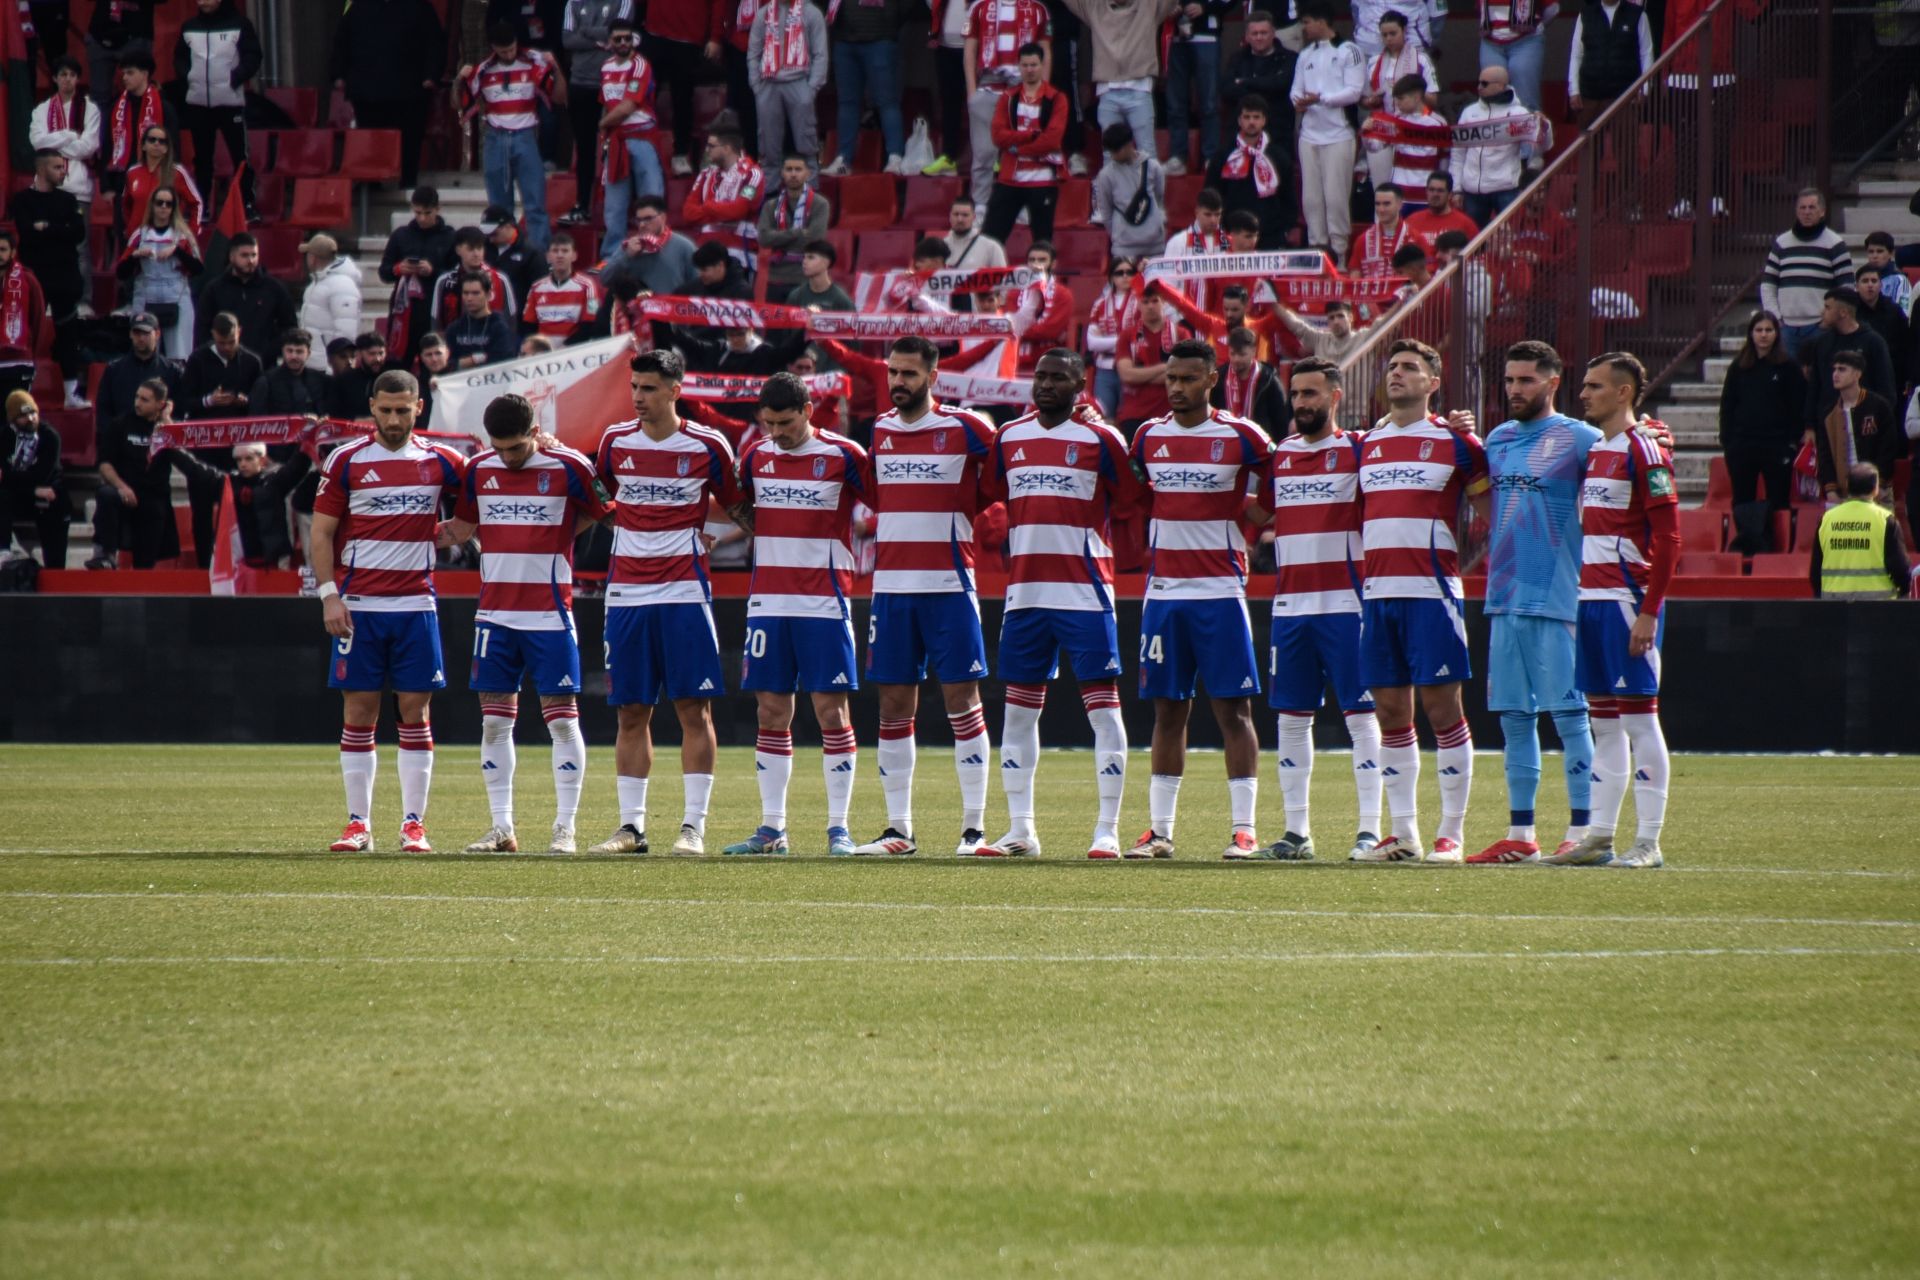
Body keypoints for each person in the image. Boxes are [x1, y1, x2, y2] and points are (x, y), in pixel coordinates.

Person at [424, 394, 609, 855]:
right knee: (493, 723)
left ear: (534, 431)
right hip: (495, 617)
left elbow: (602, 510)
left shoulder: (568, 465)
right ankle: (502, 826)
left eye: (517, 448)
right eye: (500, 448)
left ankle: (564, 828)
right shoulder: (479, 470)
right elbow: (462, 530)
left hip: (550, 615)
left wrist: (560, 530)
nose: (508, 458)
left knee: (563, 723)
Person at [974, 351, 1142, 858]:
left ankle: (1106, 830)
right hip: (1025, 596)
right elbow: (991, 495)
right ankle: (1020, 830)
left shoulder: (1102, 439)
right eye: (1040, 377)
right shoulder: (1010, 438)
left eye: (1057, 378)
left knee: (1103, 710)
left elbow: (1131, 501)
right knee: (1019, 715)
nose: (1045, 385)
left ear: (1080, 382)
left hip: (1085, 593)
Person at [588, 349, 744, 855]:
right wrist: (634, 528)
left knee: (691, 708)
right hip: (627, 593)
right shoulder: (615, 441)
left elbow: (740, 506)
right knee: (631, 710)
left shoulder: (707, 444)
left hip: (683, 592)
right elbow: (600, 498)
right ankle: (631, 828)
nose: (638, 397)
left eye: (649, 388)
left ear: (675, 391)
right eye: (635, 387)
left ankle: (693, 827)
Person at [850, 336, 998, 857]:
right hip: (891, 590)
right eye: (893, 372)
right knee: (893, 704)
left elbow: (1002, 476)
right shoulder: (881, 430)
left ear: (933, 378)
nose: (898, 382)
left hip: (949, 588)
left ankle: (974, 828)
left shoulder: (967, 427)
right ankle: (898, 830)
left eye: (909, 374)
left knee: (963, 702)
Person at [1127, 339, 1272, 858]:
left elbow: (1279, 482)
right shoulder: (1147, 437)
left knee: (1234, 712)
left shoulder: (1241, 436)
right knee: (1168, 712)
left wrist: (1254, 515)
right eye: (1170, 379)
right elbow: (1140, 493)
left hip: (1220, 593)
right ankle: (1160, 831)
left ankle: (1244, 829)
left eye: (1188, 379)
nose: (1176, 388)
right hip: (1163, 594)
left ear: (1212, 379)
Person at [311, 369, 465, 854]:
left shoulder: (444, 461)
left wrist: (456, 532)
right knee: (358, 711)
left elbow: (489, 488)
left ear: (419, 407)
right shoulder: (347, 460)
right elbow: (320, 533)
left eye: (403, 410)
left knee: (414, 711)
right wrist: (329, 595)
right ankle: (359, 824)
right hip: (358, 608)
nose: (394, 418)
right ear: (372, 407)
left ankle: (413, 824)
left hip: (417, 604)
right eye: (386, 409)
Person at [1464, 340, 1603, 864]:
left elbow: (1623, 468)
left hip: (1557, 597)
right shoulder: (1497, 440)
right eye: (1509, 380)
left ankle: (1582, 830)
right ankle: (1521, 836)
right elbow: (1489, 504)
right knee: (1514, 719)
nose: (1515, 390)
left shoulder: (1580, 438)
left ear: (1552, 381)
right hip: (1503, 598)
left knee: (1570, 716)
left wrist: (1651, 436)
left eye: (1525, 380)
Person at [1353, 339, 1489, 862]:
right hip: (1378, 594)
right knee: (1390, 711)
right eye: (1391, 367)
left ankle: (1450, 833)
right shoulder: (1364, 443)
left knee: (1442, 707)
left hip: (1431, 594)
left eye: (1410, 367)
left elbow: (1489, 512)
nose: (1397, 374)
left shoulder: (1457, 443)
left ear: (1433, 383)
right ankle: (1404, 834)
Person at [1239, 358, 1380, 860]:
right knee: (1292, 718)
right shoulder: (1281, 455)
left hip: (1346, 604)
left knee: (1362, 716)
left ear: (1335, 397)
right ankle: (1297, 832)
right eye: (1296, 394)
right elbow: (1259, 512)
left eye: (1311, 394)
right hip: (1290, 607)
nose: (1300, 403)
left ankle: (1370, 830)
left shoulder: (1360, 449)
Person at [724, 373, 870, 857]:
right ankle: (772, 830)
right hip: (768, 601)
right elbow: (744, 508)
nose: (777, 432)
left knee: (831, 712)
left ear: (809, 410)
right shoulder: (756, 455)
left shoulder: (844, 455)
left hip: (824, 603)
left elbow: (885, 501)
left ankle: (838, 829)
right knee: (770, 711)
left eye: (785, 422)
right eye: (769, 423)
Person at [1564, 351, 1681, 868]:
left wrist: (1650, 611)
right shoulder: (1599, 451)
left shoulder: (1645, 450)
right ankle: (1599, 836)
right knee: (1604, 724)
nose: (1584, 394)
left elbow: (1671, 537)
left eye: (1593, 386)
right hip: (1590, 599)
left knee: (1639, 721)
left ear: (1624, 393)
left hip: (1625, 602)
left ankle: (1648, 842)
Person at [458, 24, 558, 255]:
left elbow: (558, 96)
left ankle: (539, 257)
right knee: (499, 207)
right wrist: (458, 80)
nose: (509, 54)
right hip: (495, 137)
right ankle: (504, 254)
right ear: (494, 48)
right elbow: (461, 105)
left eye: (512, 49)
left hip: (525, 136)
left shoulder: (533, 62)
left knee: (535, 204)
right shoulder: (483, 69)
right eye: (503, 51)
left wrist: (556, 66)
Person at [329, 0, 446, 190]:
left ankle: (408, 179)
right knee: (371, 136)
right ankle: (371, 180)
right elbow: (342, 40)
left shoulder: (418, 6)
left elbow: (435, 41)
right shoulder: (359, 6)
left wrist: (431, 74)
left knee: (409, 136)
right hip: (368, 88)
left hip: (408, 86)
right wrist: (338, 73)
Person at [7, 156, 87, 408]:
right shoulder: (21, 200)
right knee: (26, 334)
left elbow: (78, 233)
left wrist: (47, 228)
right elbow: (28, 234)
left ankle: (71, 394)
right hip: (35, 277)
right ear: (41, 169)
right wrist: (58, 230)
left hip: (65, 277)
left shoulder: (69, 200)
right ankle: (21, 395)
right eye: (57, 167)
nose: (63, 172)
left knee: (68, 333)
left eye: (63, 167)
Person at [163, 436, 314, 569]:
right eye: (239, 460)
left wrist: (309, 438)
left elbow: (297, 467)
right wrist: (172, 448)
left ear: (262, 460)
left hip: (273, 561)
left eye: (248, 459)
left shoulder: (274, 483)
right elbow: (196, 470)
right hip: (238, 562)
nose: (243, 464)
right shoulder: (228, 483)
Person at [175, 0, 261, 225]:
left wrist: (236, 77)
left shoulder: (240, 24)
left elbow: (253, 55)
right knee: (202, 158)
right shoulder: (189, 27)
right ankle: (201, 205)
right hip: (198, 102)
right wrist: (189, 78)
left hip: (230, 101)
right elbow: (180, 59)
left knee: (239, 156)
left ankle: (247, 204)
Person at [1060, 0, 1178, 162]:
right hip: (1108, 93)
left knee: (1147, 153)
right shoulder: (1094, 7)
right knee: (1109, 155)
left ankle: (1149, 189)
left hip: (1139, 91)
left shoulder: (1150, 5)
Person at [1291, 0, 1364, 259]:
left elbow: (1354, 91)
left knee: (1335, 199)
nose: (1304, 27)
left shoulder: (1348, 51)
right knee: (1311, 200)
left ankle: (1340, 255)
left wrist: (1320, 98)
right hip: (1309, 135)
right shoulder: (1305, 54)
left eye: (1307, 22)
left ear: (1322, 21)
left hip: (1339, 134)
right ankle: (1315, 253)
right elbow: (1295, 90)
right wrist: (1299, 100)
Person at [961, 0, 1051, 203]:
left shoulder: (1037, 9)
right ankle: (981, 207)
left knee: (1024, 154)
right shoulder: (980, 7)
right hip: (988, 86)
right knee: (983, 155)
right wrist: (972, 93)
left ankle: (1022, 206)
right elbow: (969, 51)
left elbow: (1045, 54)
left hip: (1023, 89)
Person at [1718, 311, 1808, 513]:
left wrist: (1792, 442)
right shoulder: (1738, 366)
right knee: (1742, 500)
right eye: (1759, 330)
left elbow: (1798, 405)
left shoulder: (1788, 367)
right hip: (1742, 444)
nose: (1764, 335)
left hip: (1777, 445)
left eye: (1769, 330)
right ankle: (1748, 541)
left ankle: (1777, 542)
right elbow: (1727, 405)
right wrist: (1728, 442)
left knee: (1778, 500)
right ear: (1751, 333)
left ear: (1777, 333)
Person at [88, 376, 180, 569]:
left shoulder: (167, 430)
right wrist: (122, 487)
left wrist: (167, 421)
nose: (137, 403)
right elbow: (104, 464)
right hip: (125, 491)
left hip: (154, 498)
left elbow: (181, 456)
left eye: (145, 400)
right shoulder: (120, 424)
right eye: (137, 397)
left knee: (145, 562)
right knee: (106, 494)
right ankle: (107, 555)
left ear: (160, 404)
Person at [982, 44, 1068, 245]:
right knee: (991, 239)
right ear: (1018, 66)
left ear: (1042, 65)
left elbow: (1052, 140)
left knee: (1043, 240)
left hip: (1043, 178)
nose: (1030, 70)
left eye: (1034, 65)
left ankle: (1044, 277)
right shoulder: (1008, 97)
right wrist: (1030, 135)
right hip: (1010, 177)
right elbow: (998, 136)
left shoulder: (1056, 98)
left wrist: (1017, 149)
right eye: (1025, 65)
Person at [559, 0, 635, 226]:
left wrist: (586, 32)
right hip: (580, 83)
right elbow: (567, 40)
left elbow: (620, 33)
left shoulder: (623, 1)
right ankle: (582, 205)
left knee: (620, 146)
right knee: (584, 148)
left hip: (614, 82)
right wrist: (602, 39)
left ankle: (629, 208)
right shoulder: (573, 2)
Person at [595, 17, 666, 259]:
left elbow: (628, 106)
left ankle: (656, 249)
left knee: (652, 197)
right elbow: (606, 104)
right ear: (609, 42)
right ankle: (612, 258)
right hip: (616, 142)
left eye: (628, 38)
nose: (624, 42)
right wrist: (605, 133)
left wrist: (603, 124)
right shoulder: (605, 67)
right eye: (618, 39)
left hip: (642, 138)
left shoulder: (640, 64)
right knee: (614, 205)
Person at [1760, 188, 1854, 359]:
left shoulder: (1835, 244)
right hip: (1786, 328)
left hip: (1819, 328)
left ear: (1822, 211)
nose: (1807, 212)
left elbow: (1847, 288)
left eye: (1812, 208)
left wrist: (1828, 320)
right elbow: (1768, 285)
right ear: (1796, 211)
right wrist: (1776, 318)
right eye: (1802, 208)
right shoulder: (1781, 243)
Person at [117, 186, 201, 359]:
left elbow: (199, 269)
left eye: (168, 204)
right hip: (146, 296)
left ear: (174, 208)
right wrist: (136, 256)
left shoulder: (183, 235)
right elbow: (121, 273)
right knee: (143, 355)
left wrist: (177, 251)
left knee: (179, 356)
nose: (163, 207)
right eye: (159, 203)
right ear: (152, 206)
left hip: (176, 297)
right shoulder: (139, 235)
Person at [748, 0, 828, 175]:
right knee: (768, 144)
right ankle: (770, 193)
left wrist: (811, 89)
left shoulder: (811, 13)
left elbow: (820, 55)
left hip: (799, 82)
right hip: (768, 84)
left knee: (806, 140)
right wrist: (757, 87)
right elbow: (753, 53)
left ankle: (811, 191)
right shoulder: (763, 15)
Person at [381, 188, 458, 368]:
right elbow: (384, 272)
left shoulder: (449, 236)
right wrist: (399, 268)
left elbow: (457, 274)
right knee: (400, 363)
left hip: (436, 310)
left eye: (427, 213)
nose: (422, 218)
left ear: (438, 209)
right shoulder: (401, 235)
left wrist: (434, 272)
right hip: (405, 311)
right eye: (417, 213)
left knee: (433, 365)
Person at [1810, 464, 1910, 600]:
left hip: (1833, 605)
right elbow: (1900, 569)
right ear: (1875, 488)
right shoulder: (1885, 520)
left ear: (1847, 486)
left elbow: (1815, 571)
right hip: (1879, 606)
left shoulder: (1827, 519)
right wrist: (1904, 592)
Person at [1454, 64, 1537, 227]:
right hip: (1473, 192)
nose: (1479, 87)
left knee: (1508, 239)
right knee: (1474, 243)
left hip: (1505, 190)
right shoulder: (1469, 112)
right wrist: (1457, 188)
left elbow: (1540, 144)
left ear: (1500, 86)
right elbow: (1458, 154)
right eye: (1478, 82)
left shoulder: (1518, 114)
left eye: (1484, 84)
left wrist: (1544, 126)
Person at [1207, 94, 1292, 251]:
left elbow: (1289, 198)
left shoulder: (1278, 157)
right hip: (1232, 236)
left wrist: (1281, 229)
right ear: (1239, 120)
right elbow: (1213, 194)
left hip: (1269, 236)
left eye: (1256, 117)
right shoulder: (1223, 156)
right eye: (1246, 117)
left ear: (1264, 120)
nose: (1251, 122)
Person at [1803, 290, 1897, 430]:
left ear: (1843, 312)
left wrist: (1877, 421)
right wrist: (1809, 426)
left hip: (1865, 426)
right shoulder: (1822, 343)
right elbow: (1815, 386)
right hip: (1829, 424)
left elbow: (1886, 388)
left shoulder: (1873, 342)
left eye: (1828, 307)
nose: (1822, 312)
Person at [1813, 350, 1901, 500]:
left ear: (1857, 374)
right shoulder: (1828, 412)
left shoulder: (1878, 406)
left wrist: (1880, 484)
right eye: (1834, 369)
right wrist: (1830, 489)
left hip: (1876, 489)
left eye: (1842, 369)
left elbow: (1888, 448)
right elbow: (1824, 454)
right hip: (1843, 489)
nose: (1835, 374)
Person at [0, 390, 70, 568]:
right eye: (23, 415)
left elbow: (41, 475)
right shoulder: (5, 437)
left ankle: (56, 569)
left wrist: (11, 478)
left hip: (48, 492)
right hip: (21, 495)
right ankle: (3, 551)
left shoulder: (50, 436)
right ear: (12, 418)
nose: (30, 419)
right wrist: (31, 489)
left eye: (33, 413)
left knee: (58, 501)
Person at [682, 129, 765, 271]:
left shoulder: (752, 175)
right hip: (704, 248)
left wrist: (708, 207)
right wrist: (720, 211)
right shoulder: (705, 175)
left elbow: (739, 210)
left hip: (738, 251)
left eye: (711, 146)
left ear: (726, 148)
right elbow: (688, 214)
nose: (707, 150)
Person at [196, 232, 296, 349]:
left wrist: (270, 351)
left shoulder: (274, 288)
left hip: (264, 364)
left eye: (254, 255)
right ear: (232, 256)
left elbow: (289, 327)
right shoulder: (214, 289)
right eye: (244, 255)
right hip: (225, 362)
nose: (251, 261)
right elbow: (202, 329)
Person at [1164, 0, 1231, 175]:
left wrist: (1205, 7)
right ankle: (1178, 157)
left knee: (1209, 102)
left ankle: (1211, 157)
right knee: (1175, 102)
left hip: (1207, 37)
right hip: (1176, 37)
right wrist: (1168, 8)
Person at [94, 311, 182, 442]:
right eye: (136, 333)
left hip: (159, 442)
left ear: (157, 334)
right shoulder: (114, 370)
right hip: (122, 443)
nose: (141, 338)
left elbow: (181, 409)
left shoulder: (172, 371)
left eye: (146, 333)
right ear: (130, 334)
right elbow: (103, 409)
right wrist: (113, 436)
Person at [29, 58, 102, 205]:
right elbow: (38, 143)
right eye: (63, 74)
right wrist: (71, 135)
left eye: (72, 75)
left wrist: (51, 143)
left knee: (78, 228)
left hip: (78, 189)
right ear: (55, 78)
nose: (68, 79)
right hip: (47, 186)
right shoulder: (42, 109)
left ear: (78, 79)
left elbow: (87, 148)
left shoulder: (89, 108)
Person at [1568, 0, 1653, 125]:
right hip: (1590, 95)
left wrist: (1645, 89)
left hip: (1625, 96)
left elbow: (1646, 54)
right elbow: (1576, 55)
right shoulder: (1586, 14)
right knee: (1590, 144)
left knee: (1625, 144)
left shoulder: (1637, 15)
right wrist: (1574, 90)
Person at [101, 51, 174, 195]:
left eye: (130, 73)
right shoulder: (115, 108)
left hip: (154, 183)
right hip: (121, 183)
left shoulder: (163, 107)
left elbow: (173, 147)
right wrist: (107, 186)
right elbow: (107, 146)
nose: (124, 78)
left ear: (145, 74)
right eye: (123, 73)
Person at [1091, 123, 1166, 262]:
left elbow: (1159, 196)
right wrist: (1119, 236)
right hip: (1124, 247)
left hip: (1155, 244)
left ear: (1129, 144)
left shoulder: (1153, 167)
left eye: (1116, 151)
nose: (1113, 156)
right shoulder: (1106, 175)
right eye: (1110, 151)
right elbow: (1106, 211)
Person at [757, 155, 831, 295]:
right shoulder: (770, 206)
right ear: (782, 173)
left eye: (798, 169)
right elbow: (763, 238)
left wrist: (778, 238)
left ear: (808, 173)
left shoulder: (820, 204)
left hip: (805, 279)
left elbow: (815, 239)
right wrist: (798, 233)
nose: (793, 174)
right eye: (789, 169)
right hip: (775, 278)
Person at [1116, 286, 1186, 433]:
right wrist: (1164, 367)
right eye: (1145, 302)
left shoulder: (1181, 334)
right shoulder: (1127, 336)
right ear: (1139, 305)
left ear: (1164, 303)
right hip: (1134, 414)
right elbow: (1127, 375)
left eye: (1155, 301)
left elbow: (1183, 372)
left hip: (1172, 412)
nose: (1150, 306)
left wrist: (1140, 375)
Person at [1370, 74, 1446, 205]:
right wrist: (1368, 132)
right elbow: (1374, 147)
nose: (1397, 103)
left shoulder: (1438, 123)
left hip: (1426, 196)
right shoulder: (1396, 122)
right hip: (1400, 196)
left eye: (1401, 98)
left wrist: (1441, 192)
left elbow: (1445, 161)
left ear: (1417, 97)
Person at [1222, 10, 1298, 142]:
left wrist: (1245, 82)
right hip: (1241, 135)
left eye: (1263, 33)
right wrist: (1266, 85)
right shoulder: (1237, 59)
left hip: (1278, 133)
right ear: (1247, 36)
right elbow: (1227, 90)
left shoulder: (1289, 58)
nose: (1259, 37)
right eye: (1254, 33)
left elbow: (1281, 85)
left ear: (1273, 33)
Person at [601, 197, 697, 298]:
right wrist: (627, 256)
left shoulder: (684, 246)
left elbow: (700, 285)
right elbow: (605, 279)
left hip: (671, 310)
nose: (642, 224)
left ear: (663, 217)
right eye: (638, 220)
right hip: (637, 311)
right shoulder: (629, 246)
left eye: (648, 219)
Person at [121, 122, 203, 235]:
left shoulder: (177, 172)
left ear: (166, 148)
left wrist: (191, 232)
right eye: (152, 139)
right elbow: (126, 205)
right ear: (143, 145)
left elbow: (197, 203)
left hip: (168, 239)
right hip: (138, 240)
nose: (156, 143)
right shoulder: (132, 172)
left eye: (162, 141)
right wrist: (131, 229)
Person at [179, 311, 262, 419]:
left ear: (239, 332)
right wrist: (208, 401)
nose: (227, 347)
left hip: (240, 425)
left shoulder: (252, 362)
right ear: (213, 334)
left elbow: (260, 400)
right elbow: (183, 401)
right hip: (205, 426)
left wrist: (245, 400)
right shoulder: (197, 360)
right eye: (221, 343)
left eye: (232, 342)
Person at [432, 226, 518, 331]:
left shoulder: (500, 279)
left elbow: (510, 317)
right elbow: (436, 321)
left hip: (491, 342)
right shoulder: (444, 281)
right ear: (458, 250)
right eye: (470, 249)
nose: (476, 254)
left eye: (479, 248)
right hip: (455, 343)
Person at [1477, 0, 1554, 114]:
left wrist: (1534, 25)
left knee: (1526, 101)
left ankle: (1529, 130)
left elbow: (1552, 8)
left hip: (1526, 40)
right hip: (1490, 42)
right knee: (1491, 96)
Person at [1086, 256, 1139, 419]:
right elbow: (1092, 343)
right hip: (1105, 368)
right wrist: (1124, 340)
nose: (1125, 277)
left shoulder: (1142, 302)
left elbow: (1141, 338)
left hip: (1133, 366)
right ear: (1111, 277)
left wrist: (1108, 342)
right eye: (1119, 273)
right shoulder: (1099, 304)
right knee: (1102, 416)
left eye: (1129, 272)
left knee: (1129, 417)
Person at [1212, 325, 1289, 439]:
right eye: (1233, 354)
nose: (1236, 359)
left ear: (1253, 351)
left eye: (1242, 354)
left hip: (1261, 445)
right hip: (1226, 442)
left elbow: (1281, 420)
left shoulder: (1268, 379)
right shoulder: (1219, 378)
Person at [249, 328, 334, 428]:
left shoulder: (321, 381)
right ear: (283, 351)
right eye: (290, 351)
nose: (294, 356)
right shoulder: (266, 382)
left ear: (308, 354)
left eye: (299, 352)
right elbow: (257, 422)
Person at [523, 238, 602, 344]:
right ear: (548, 256)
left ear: (574, 256)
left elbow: (591, 322)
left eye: (565, 251)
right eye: (555, 251)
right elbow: (529, 324)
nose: (560, 255)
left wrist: (566, 348)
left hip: (574, 350)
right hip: (543, 352)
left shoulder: (588, 285)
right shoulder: (536, 288)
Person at [1010, 241, 1073, 373]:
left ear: (1053, 264)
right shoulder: (1014, 293)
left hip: (1049, 361)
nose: (1036, 265)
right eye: (1032, 260)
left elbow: (1049, 331)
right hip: (1015, 358)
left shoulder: (1063, 294)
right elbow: (1007, 324)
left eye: (1042, 260)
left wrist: (1018, 330)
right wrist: (1013, 328)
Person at [296, 233, 363, 356]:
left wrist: (336, 364)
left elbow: (346, 331)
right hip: (315, 361)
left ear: (313, 258)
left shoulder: (342, 285)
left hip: (328, 366)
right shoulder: (318, 282)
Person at [1162, 186, 1225, 311]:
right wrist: (1178, 319)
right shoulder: (1178, 243)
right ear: (1196, 212)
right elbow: (1168, 286)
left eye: (1217, 215)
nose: (1213, 220)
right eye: (1208, 214)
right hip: (1186, 316)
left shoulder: (1228, 243)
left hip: (1222, 317)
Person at [1361, 11, 1437, 113]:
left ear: (1404, 30)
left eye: (1393, 33)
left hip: (1414, 123)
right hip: (1384, 123)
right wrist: (1372, 100)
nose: (1388, 38)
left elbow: (1433, 101)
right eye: (1384, 35)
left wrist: (1411, 91)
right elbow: (1363, 101)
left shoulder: (1421, 60)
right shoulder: (1373, 63)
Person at [87, 0, 156, 111]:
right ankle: (100, 128)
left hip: (136, 35)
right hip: (100, 34)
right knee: (98, 99)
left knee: (138, 95)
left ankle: (138, 127)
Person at [444, 272, 520, 370]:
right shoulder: (454, 328)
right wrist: (473, 360)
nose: (469, 298)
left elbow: (503, 361)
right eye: (466, 293)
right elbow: (446, 364)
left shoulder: (499, 327)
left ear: (488, 295)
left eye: (476, 293)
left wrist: (467, 362)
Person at [1853, 265, 1911, 375]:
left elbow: (1905, 343)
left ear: (1880, 285)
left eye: (1874, 281)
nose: (1870, 285)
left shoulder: (1894, 310)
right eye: (1865, 281)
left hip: (1891, 369)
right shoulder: (1850, 311)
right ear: (1856, 286)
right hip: (1859, 370)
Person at [482, 205, 543, 308]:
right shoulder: (482, 249)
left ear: (508, 226)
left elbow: (539, 289)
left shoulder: (531, 253)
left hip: (518, 317)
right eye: (488, 234)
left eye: (494, 233)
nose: (490, 238)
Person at [1403, 171, 1479, 251]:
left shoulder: (1466, 224)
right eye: (1431, 190)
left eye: (1440, 191)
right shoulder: (1411, 221)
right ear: (1426, 192)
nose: (1435, 194)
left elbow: (1476, 255)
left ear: (1450, 195)